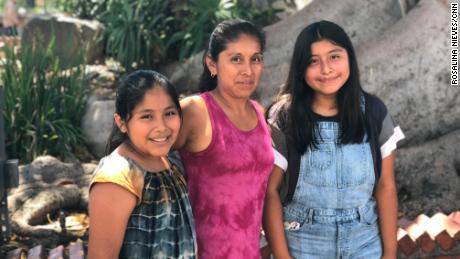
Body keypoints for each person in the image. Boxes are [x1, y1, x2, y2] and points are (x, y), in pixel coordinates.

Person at [263, 20, 405, 259]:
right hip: (303, 246)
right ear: (300, 68)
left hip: (364, 245)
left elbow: (386, 187)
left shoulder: (373, 112)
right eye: (313, 61)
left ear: (349, 58)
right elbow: (270, 192)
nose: (326, 69)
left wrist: (389, 255)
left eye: (334, 57)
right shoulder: (285, 117)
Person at [175, 19, 274, 258]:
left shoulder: (259, 113)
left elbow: (264, 193)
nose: (248, 71)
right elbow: (146, 152)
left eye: (256, 59)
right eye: (236, 59)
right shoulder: (196, 111)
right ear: (212, 63)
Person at [88, 70, 197, 258]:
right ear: (121, 122)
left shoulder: (168, 163)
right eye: (147, 116)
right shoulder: (117, 178)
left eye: (169, 113)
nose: (162, 126)